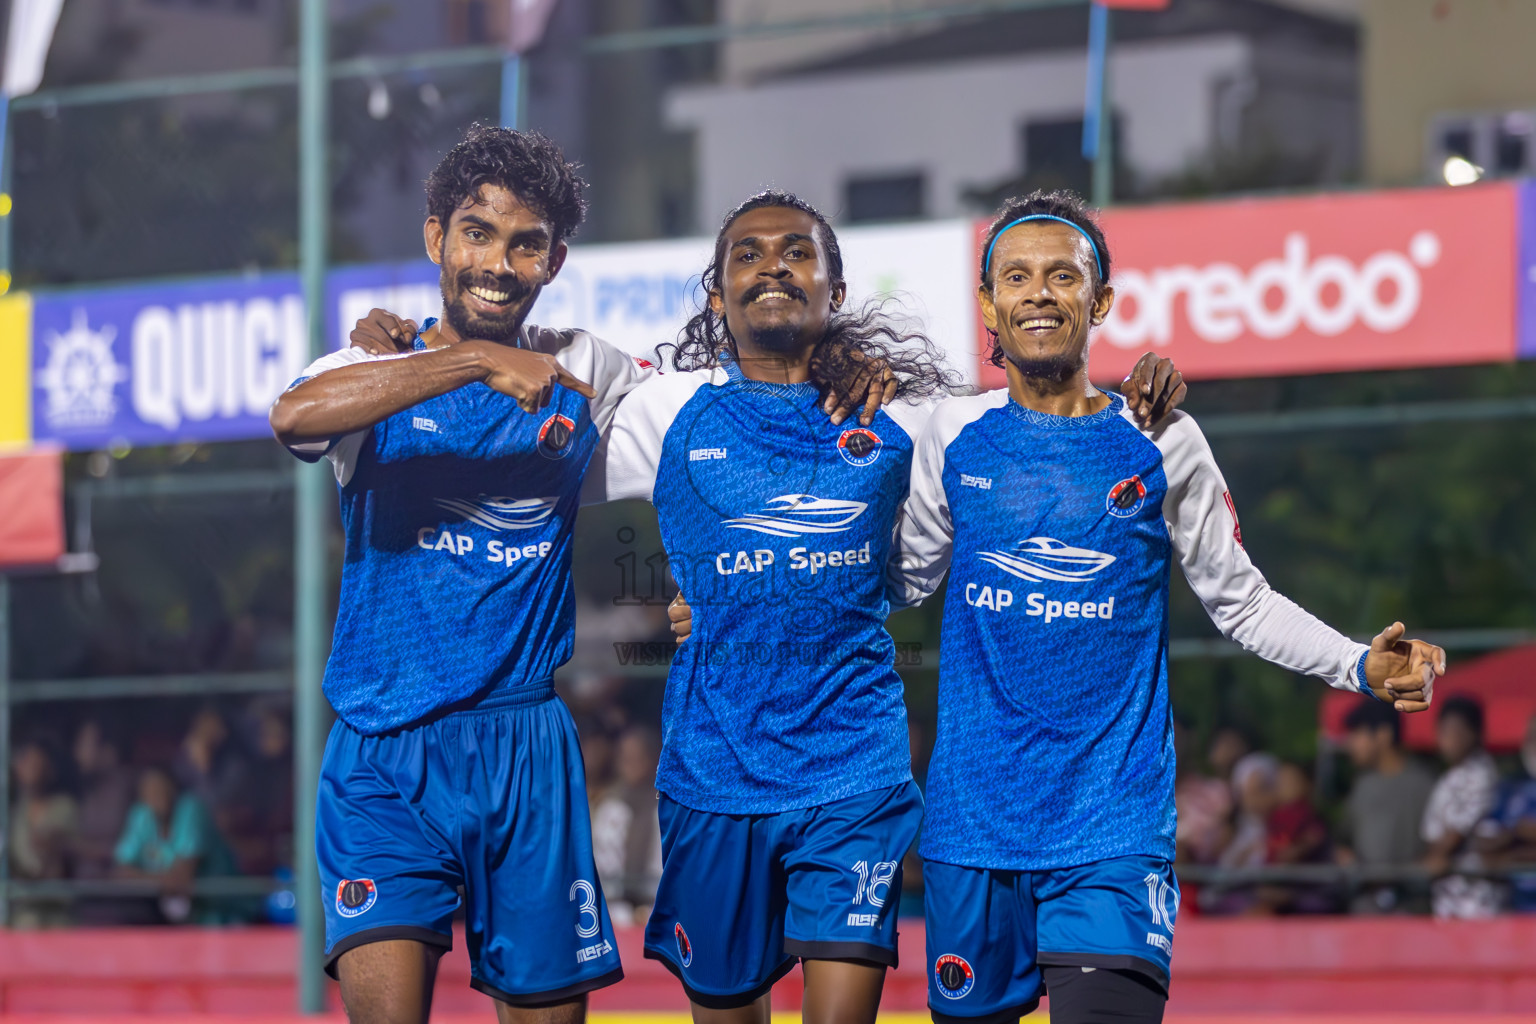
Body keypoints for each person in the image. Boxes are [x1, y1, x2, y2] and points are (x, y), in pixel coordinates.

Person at [588, 189, 1185, 1024]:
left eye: (798, 253)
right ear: (715, 292)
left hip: (853, 770)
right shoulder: (667, 412)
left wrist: (1139, 388)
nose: (772, 268)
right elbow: (538, 468)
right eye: (747, 256)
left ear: (835, 289)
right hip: (713, 771)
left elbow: (1033, 431)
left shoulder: (904, 417)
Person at [886, 189, 1445, 1024]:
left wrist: (1358, 664)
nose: (1039, 292)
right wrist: (726, 599)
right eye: (1017, 276)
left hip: (1113, 830)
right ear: (989, 304)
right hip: (973, 832)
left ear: (1100, 300)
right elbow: (897, 581)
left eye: (1062, 276)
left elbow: (1243, 603)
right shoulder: (950, 434)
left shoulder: (1164, 440)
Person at [269, 125, 656, 1023]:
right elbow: (294, 418)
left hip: (524, 751)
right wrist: (473, 360)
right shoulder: (373, 363)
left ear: (552, 261)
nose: (498, 261)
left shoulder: (585, 367)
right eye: (478, 233)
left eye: (525, 243)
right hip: (382, 753)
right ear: (436, 237)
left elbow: (718, 414)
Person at [1336, 699, 1436, 914]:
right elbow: (1343, 841)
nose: (1350, 744)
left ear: (1383, 734)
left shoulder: (1425, 785)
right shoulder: (1361, 787)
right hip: (1366, 910)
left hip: (1412, 910)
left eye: (1357, 734)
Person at [113, 765, 242, 924]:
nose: (156, 796)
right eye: (149, 791)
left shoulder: (191, 809)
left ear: (173, 788)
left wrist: (142, 877)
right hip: (172, 915)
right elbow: (120, 872)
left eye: (161, 788)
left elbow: (182, 878)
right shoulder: (141, 814)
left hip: (221, 912)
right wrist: (165, 880)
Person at [1421, 694, 1500, 918]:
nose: (1445, 739)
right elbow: (1433, 834)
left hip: (1475, 900)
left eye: (1453, 731)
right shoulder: (1448, 778)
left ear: (1474, 733)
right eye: (1442, 731)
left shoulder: (1482, 774)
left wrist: (1434, 857)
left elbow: (1459, 830)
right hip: (1446, 899)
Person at [7, 739, 79, 928]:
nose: (31, 769)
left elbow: (71, 858)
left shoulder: (65, 807)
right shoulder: (13, 812)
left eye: (37, 764)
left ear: (49, 769)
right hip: (22, 908)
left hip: (58, 908)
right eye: (27, 763)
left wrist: (55, 848)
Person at [1475, 711, 1536, 911]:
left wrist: (1512, 848)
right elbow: (1485, 844)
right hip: (1512, 912)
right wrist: (1517, 833)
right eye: (1531, 738)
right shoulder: (1508, 790)